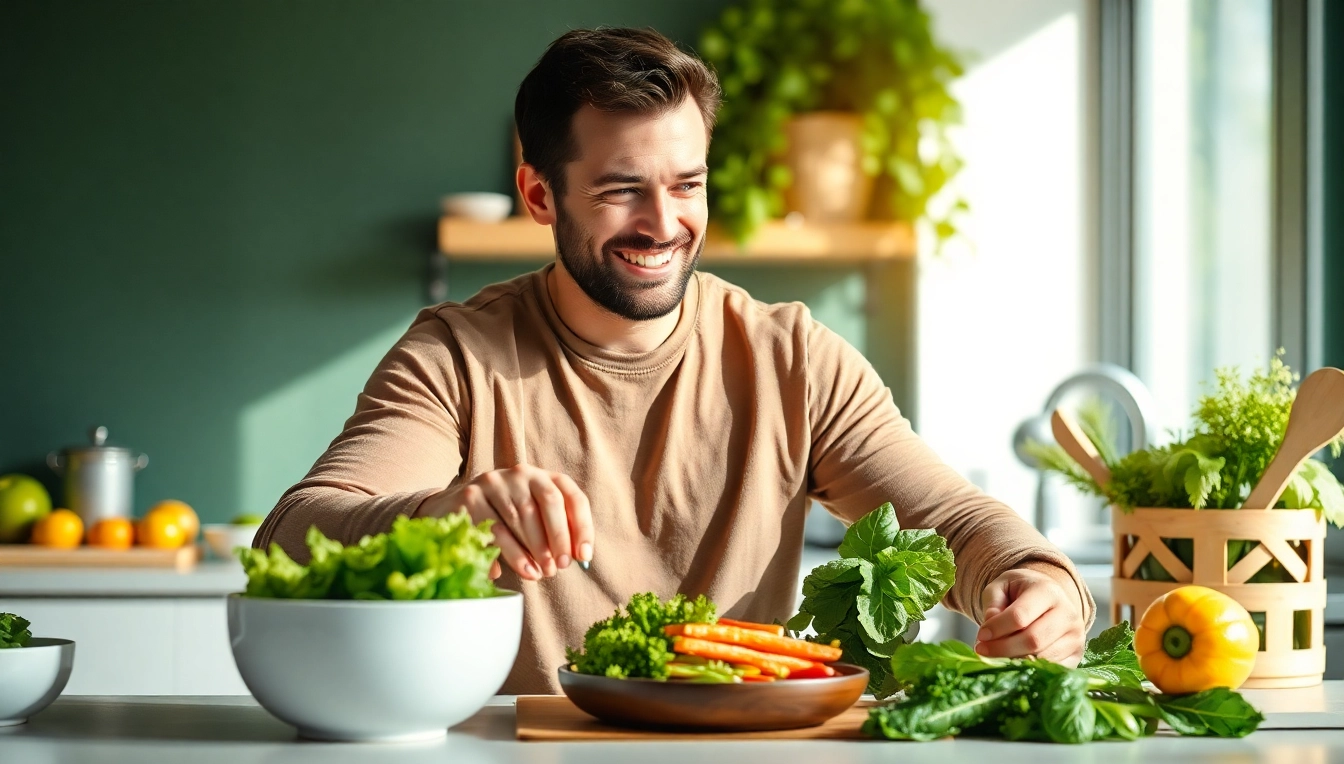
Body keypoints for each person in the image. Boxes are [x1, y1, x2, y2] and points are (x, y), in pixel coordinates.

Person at [255, 26, 1094, 694]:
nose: (664, 224)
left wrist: (1039, 583)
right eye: (622, 189)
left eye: (687, 184)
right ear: (540, 195)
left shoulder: (792, 359)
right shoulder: (455, 356)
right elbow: (293, 536)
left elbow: (953, 521)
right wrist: (448, 514)